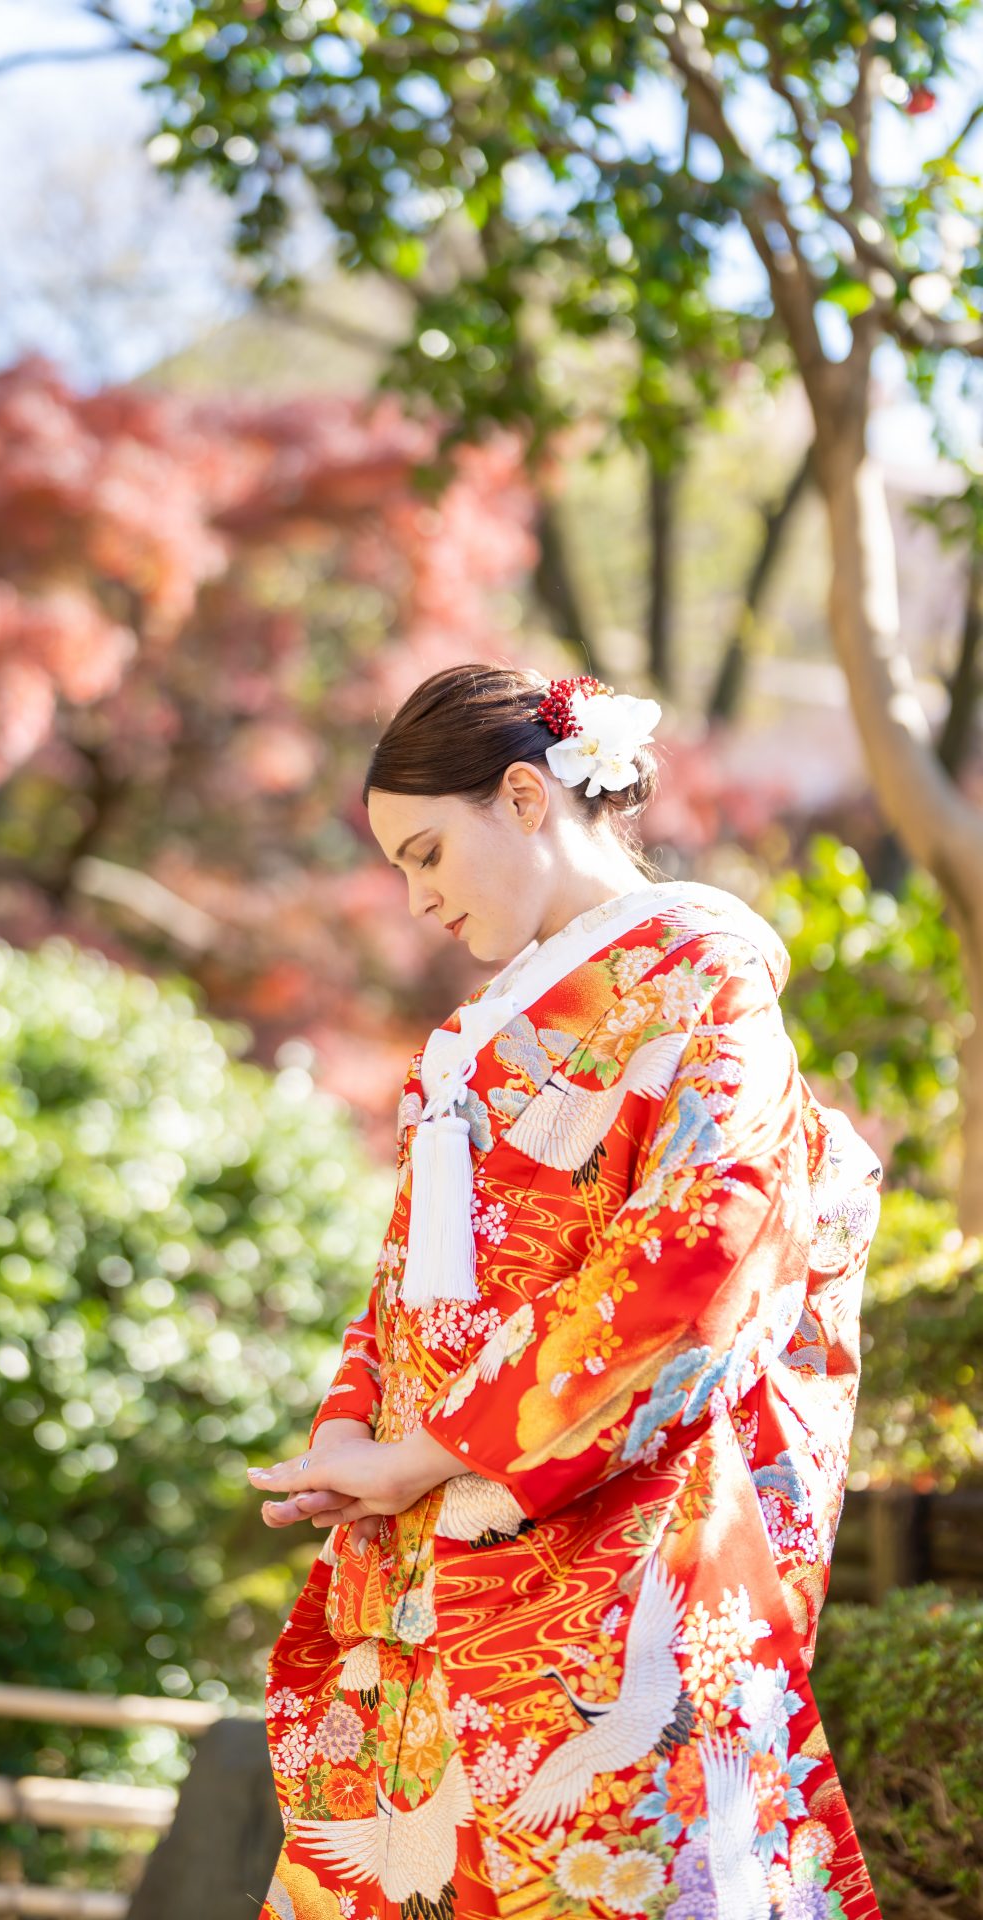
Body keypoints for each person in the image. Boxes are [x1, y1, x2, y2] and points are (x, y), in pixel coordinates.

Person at [248, 665, 885, 1920]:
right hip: (433, 1538)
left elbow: (697, 1257)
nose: (417, 898)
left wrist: (425, 1452)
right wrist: (354, 1430)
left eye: (427, 854)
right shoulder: (490, 1020)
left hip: (608, 1551)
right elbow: (409, 1281)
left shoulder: (702, 974)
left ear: (526, 797)